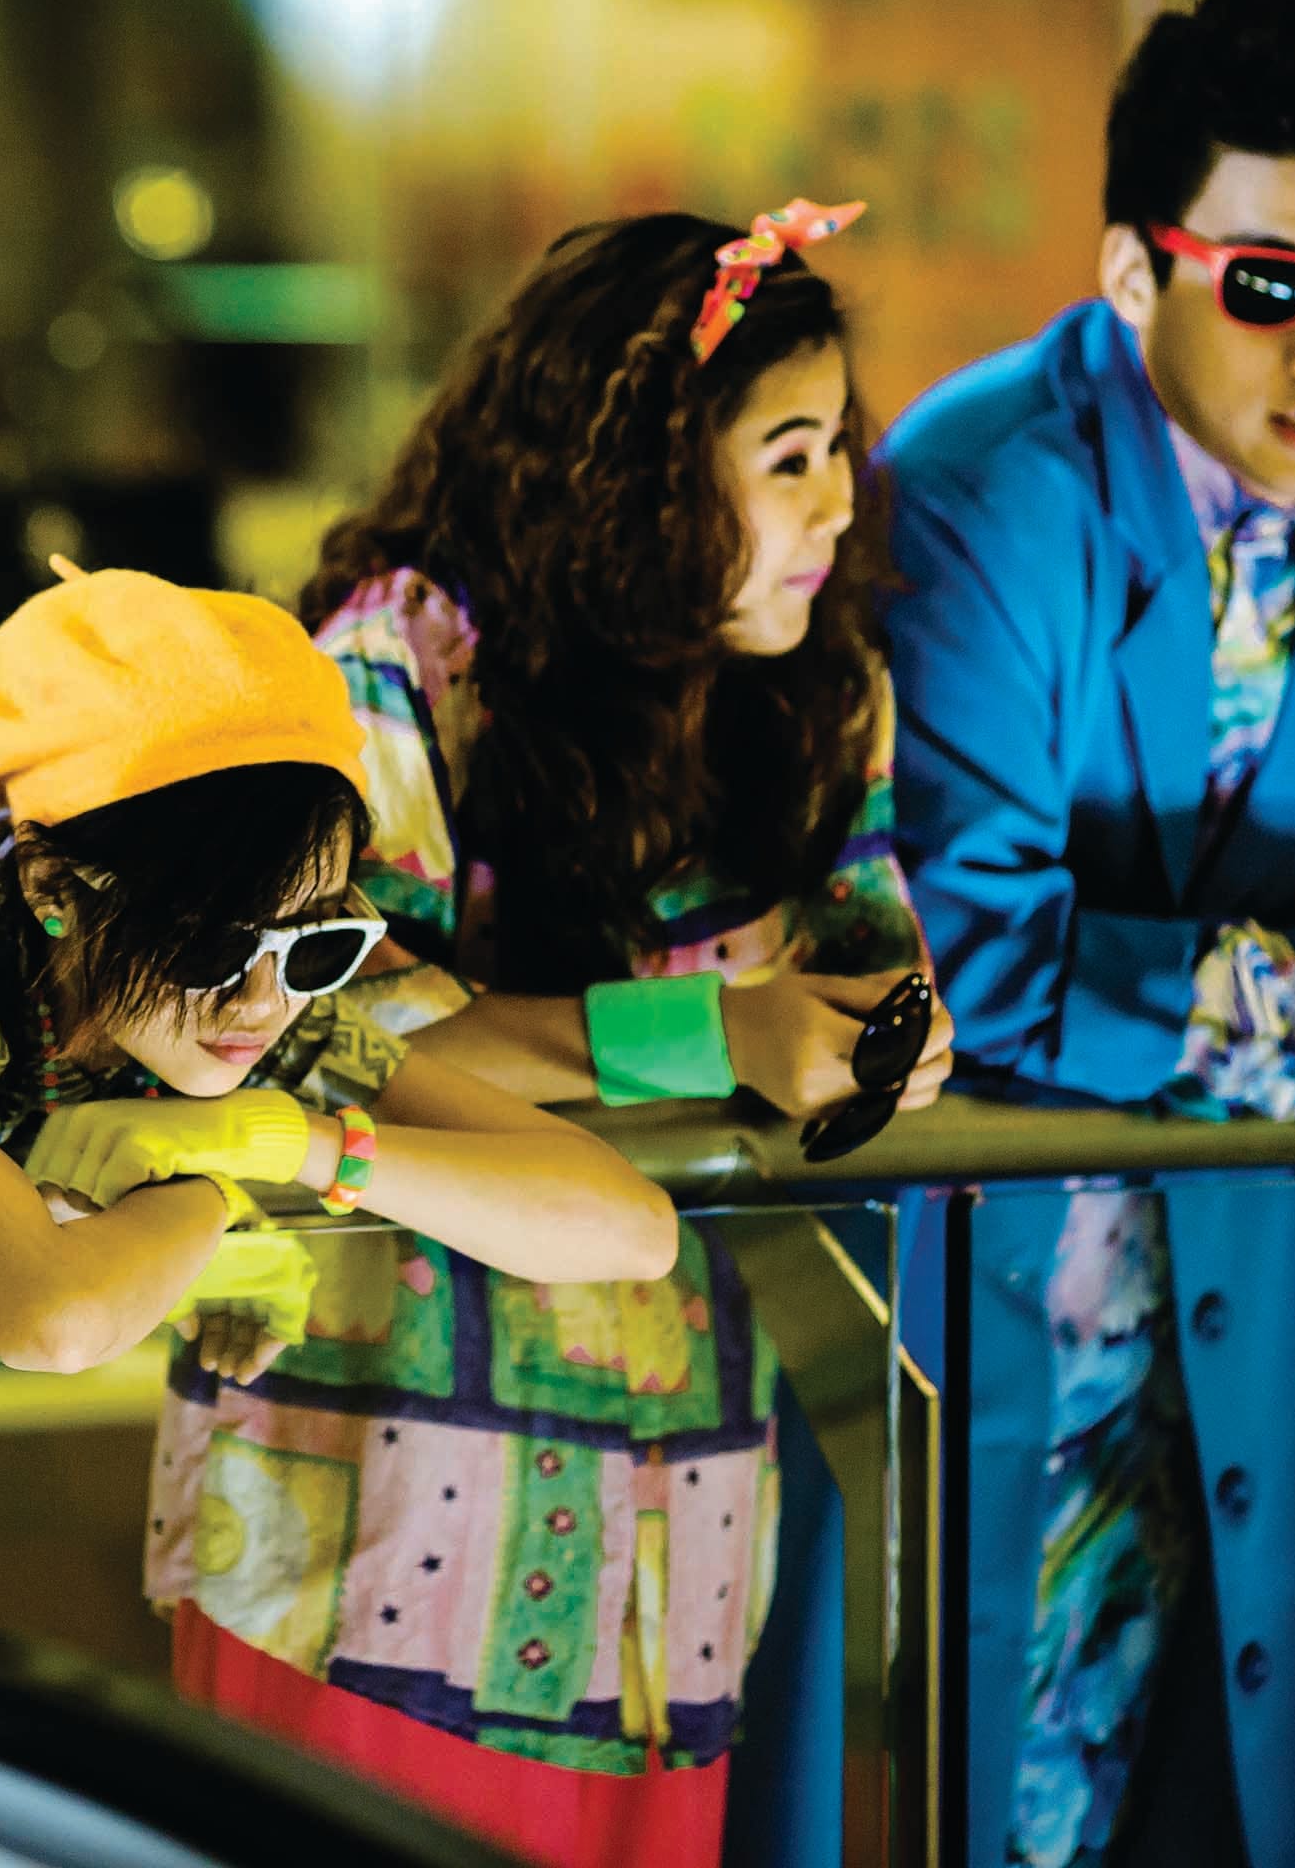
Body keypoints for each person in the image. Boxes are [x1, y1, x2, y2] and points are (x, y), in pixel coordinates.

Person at [881, 0, 1295, 1868]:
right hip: (994, 1274)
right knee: (994, 1792)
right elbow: (974, 960)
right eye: (1265, 283)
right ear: (1128, 272)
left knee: (1273, 1794)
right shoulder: (988, 489)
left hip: (1277, 1273)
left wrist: (1264, 1002)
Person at [227, 205, 954, 1868]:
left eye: (840, 446)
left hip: (674, 1487)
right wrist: (716, 1032)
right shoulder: (393, 658)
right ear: (637, 462)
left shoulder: (812, 685)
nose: (840, 502)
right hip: (380, 1461)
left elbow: (860, 945)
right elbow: (340, 1023)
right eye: (787, 456)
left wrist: (893, 1030)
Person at [0, 567, 678, 1618]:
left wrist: (291, 1142)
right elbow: (53, 1316)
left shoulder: (232, 969)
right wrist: (213, 1188)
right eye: (219, 942)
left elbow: (629, 1228)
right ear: (52, 887)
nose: (267, 998)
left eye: (316, 939)